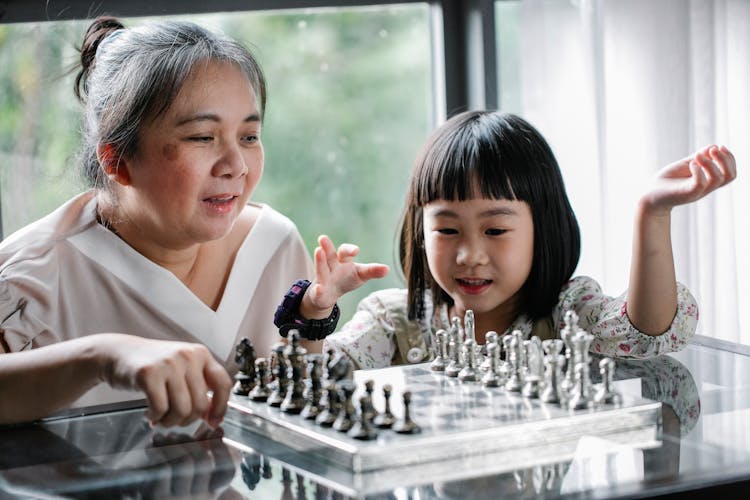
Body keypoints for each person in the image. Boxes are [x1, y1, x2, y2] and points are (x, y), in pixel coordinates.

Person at [0, 16, 322, 426]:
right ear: (116, 161)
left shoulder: (275, 246)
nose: (236, 166)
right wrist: (101, 356)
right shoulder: (28, 280)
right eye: (202, 137)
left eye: (249, 137)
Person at [282, 110, 736, 369]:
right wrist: (316, 311)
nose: (470, 255)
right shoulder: (397, 318)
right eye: (446, 229)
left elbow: (645, 334)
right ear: (419, 232)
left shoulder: (567, 311)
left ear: (544, 227)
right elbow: (318, 377)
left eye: (495, 230)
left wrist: (651, 214)